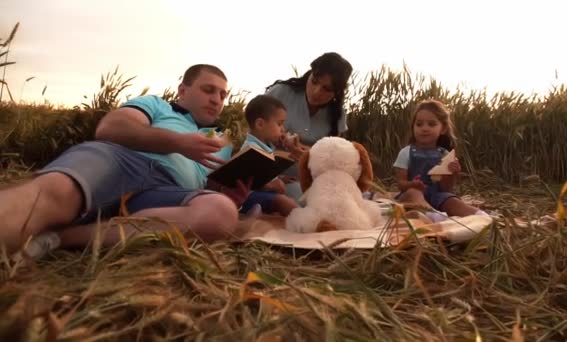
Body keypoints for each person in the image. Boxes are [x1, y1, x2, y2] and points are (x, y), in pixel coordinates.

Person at [0, 64, 251, 258]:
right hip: (121, 161)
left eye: (223, 94)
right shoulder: (157, 105)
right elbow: (112, 127)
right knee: (58, 191)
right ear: (183, 90)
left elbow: (207, 187)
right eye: (208, 90)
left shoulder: (224, 142)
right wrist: (178, 142)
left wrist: (230, 194)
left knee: (221, 213)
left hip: (167, 193)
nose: (217, 100)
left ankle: (61, 237)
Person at [265, 52, 353, 200]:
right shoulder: (281, 92)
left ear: (337, 92)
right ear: (309, 74)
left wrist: (312, 154)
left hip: (314, 180)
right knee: (309, 200)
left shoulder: (337, 114)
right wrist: (275, 137)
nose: (316, 91)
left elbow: (334, 157)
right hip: (272, 178)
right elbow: (254, 133)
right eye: (314, 81)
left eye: (327, 89)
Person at [393, 99, 488, 221]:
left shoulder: (445, 155)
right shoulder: (406, 152)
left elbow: (446, 188)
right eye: (419, 124)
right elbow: (401, 184)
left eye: (431, 124)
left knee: (452, 200)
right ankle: (435, 216)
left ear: (442, 129)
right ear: (413, 127)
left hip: (437, 196)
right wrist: (412, 185)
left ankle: (480, 216)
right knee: (413, 194)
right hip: (413, 197)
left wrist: (452, 173)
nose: (424, 128)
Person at [238, 95, 299, 217]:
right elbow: (245, 178)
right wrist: (271, 184)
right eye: (279, 124)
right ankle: (307, 223)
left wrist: (279, 178)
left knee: (289, 199)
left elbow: (264, 172)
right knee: (285, 202)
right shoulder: (250, 148)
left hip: (264, 194)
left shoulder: (267, 146)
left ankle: (261, 212)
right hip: (249, 196)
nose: (283, 129)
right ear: (260, 124)